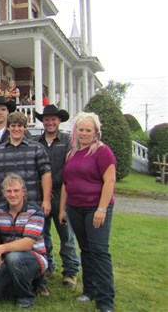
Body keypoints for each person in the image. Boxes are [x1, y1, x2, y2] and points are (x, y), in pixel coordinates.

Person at [59, 112, 116, 312]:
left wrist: (102, 208)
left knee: (99, 252)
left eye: (88, 130)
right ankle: (89, 290)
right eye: (80, 130)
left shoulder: (102, 152)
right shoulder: (72, 153)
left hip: (96, 208)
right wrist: (63, 209)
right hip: (75, 208)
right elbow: (67, 184)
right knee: (86, 250)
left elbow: (109, 181)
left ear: (96, 132)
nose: (84, 133)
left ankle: (105, 300)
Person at [0, 174, 48, 309]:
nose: (12, 195)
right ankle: (17, 283)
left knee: (14, 257)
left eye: (16, 191)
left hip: (35, 256)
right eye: (9, 191)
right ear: (4, 194)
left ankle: (25, 296)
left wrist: (0, 249)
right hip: (8, 258)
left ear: (23, 192)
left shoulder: (35, 211)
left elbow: (28, 243)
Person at [33, 105, 79, 287]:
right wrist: (43, 186)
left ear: (59, 121)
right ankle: (49, 264)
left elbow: (69, 167)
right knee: (42, 233)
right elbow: (34, 167)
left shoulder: (67, 141)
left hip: (61, 194)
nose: (50, 122)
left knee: (66, 234)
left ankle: (70, 271)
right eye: (47, 119)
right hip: (40, 194)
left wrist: (51, 183)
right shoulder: (36, 142)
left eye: (53, 119)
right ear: (42, 121)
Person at [0, 111, 52, 214]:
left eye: (20, 126)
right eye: (13, 126)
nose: (16, 129)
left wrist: (46, 200)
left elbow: (46, 174)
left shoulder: (37, 148)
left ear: (25, 128)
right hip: (6, 205)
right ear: (8, 128)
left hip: (32, 203)